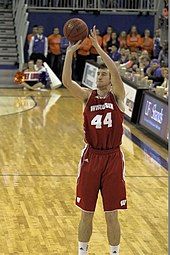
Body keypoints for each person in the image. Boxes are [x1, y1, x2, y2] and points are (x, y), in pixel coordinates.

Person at [62, 26, 127, 255]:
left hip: (112, 158)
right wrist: (70, 52)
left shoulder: (117, 96)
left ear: (110, 81)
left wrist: (98, 47)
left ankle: (114, 252)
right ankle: (82, 252)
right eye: (98, 74)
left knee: (112, 214)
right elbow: (67, 81)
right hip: (91, 156)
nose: (99, 76)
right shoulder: (87, 96)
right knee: (86, 212)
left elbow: (116, 73)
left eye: (103, 74)